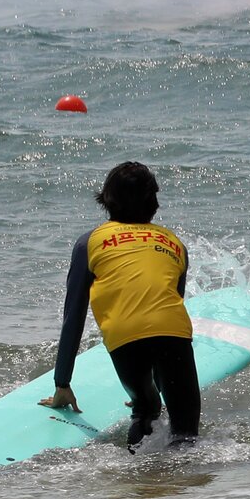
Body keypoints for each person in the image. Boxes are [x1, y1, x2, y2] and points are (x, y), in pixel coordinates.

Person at [40, 161, 199, 450]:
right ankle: (187, 494)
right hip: (174, 333)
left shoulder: (89, 242)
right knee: (186, 435)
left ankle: (135, 480)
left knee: (146, 409)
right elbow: (168, 306)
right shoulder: (174, 243)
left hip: (126, 339)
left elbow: (73, 317)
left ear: (106, 201)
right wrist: (163, 384)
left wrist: (62, 383)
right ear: (154, 203)